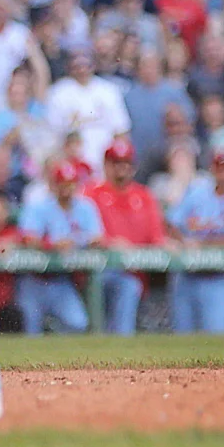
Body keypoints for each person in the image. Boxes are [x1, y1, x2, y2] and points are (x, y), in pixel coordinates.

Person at [167, 149, 224, 334]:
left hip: (218, 276)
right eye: (220, 168)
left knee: (215, 337)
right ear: (212, 169)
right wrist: (184, 241)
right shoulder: (196, 192)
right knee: (180, 338)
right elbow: (172, 223)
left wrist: (200, 245)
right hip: (187, 273)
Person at [83, 138, 167, 335]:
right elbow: (85, 234)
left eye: (126, 163)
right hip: (97, 271)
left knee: (130, 285)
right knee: (126, 286)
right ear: (106, 165)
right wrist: (110, 243)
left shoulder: (144, 195)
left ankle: (120, 349)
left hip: (135, 272)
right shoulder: (91, 193)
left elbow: (157, 238)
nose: (121, 168)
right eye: (115, 162)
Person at [15, 161, 103, 335]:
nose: (66, 189)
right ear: (53, 184)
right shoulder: (38, 206)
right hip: (34, 279)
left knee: (77, 324)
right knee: (30, 333)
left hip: (62, 280)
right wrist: (52, 245)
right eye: (62, 184)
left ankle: (57, 355)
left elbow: (98, 238)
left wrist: (77, 240)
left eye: (70, 184)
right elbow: (28, 238)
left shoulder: (85, 206)